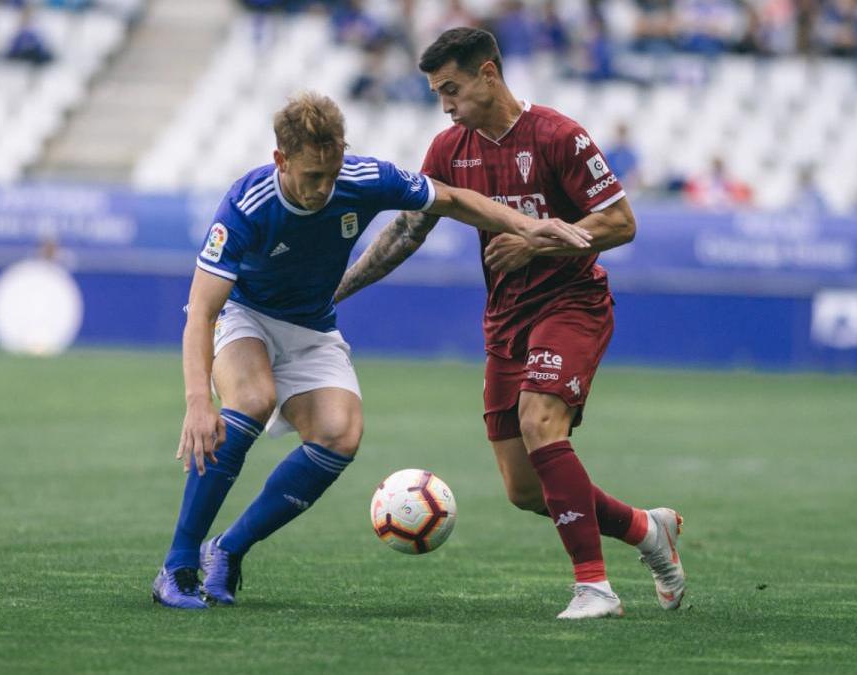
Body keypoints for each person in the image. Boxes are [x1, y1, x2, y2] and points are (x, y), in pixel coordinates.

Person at [152, 91, 592, 610]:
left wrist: (524, 225)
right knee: (251, 400)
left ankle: (226, 550)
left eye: (332, 173)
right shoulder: (248, 205)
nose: (324, 188)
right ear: (280, 160)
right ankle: (177, 569)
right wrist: (197, 403)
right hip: (243, 315)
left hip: (311, 324)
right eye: (312, 176)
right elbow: (201, 310)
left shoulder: (362, 178)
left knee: (340, 435)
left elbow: (451, 198)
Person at [334, 28, 686, 620]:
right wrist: (336, 291)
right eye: (437, 93)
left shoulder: (558, 136)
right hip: (505, 320)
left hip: (571, 303)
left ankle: (594, 587)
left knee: (540, 422)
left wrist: (535, 245)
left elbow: (621, 223)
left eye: (452, 89)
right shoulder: (449, 150)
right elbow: (406, 231)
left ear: (488, 74)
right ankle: (647, 531)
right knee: (525, 489)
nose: (445, 104)